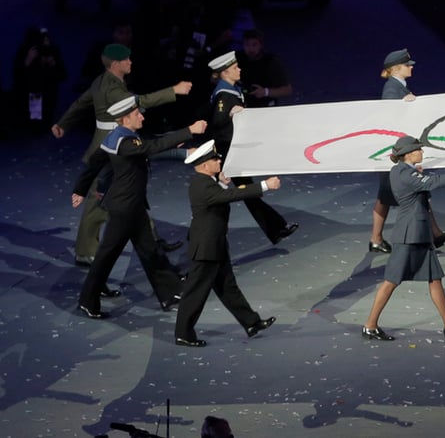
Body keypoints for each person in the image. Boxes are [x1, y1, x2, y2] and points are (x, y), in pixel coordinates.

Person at [52, 43, 191, 266]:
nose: (130, 62)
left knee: (133, 190)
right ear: (116, 64)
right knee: (98, 202)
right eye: (126, 60)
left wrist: (63, 124)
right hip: (112, 147)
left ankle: (152, 240)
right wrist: (173, 91)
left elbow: (81, 103)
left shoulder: (102, 81)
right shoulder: (114, 90)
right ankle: (85, 251)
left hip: (115, 142)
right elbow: (139, 102)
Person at [73, 97, 207, 319]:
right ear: (125, 118)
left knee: (150, 250)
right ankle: (88, 300)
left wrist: (79, 189)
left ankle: (170, 292)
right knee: (107, 256)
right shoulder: (125, 142)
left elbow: (95, 164)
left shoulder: (119, 137)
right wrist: (188, 131)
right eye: (138, 114)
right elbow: (151, 147)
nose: (142, 116)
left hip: (132, 207)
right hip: (124, 209)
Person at [362, 135, 445, 341]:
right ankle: (370, 325)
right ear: (408, 154)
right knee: (391, 281)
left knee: (435, 279)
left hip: (418, 234)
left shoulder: (400, 171)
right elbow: (436, 182)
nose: (422, 152)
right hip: (409, 236)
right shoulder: (406, 175)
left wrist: (415, 172)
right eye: (419, 150)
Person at [174, 140, 278, 347]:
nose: (219, 159)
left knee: (227, 287)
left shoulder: (205, 183)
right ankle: (183, 334)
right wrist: (265, 185)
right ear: (204, 166)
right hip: (206, 248)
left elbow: (219, 196)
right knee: (195, 293)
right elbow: (230, 195)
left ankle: (251, 323)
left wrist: (221, 182)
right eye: (215, 158)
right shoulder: (202, 185)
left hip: (215, 245)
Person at [369, 48, 445, 254]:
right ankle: (376, 239)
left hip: (401, 152)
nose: (411, 67)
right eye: (407, 65)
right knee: (386, 196)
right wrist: (404, 105)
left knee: (410, 192)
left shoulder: (399, 87)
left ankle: (435, 233)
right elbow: (389, 118)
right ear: (396, 69)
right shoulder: (392, 90)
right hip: (395, 153)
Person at [208, 51, 299, 245]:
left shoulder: (232, 89)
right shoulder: (224, 95)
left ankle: (276, 229)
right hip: (226, 154)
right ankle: (202, 238)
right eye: (235, 68)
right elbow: (217, 122)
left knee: (247, 191)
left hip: (232, 152)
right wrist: (230, 116)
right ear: (225, 73)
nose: (239, 69)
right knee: (217, 199)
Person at [11, 27, 67, 133]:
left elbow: (62, 75)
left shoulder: (53, 50)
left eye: (47, 40)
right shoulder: (27, 50)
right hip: (34, 90)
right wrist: (28, 59)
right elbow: (17, 74)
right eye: (43, 40)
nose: (46, 43)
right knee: (35, 121)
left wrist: (53, 64)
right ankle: (35, 125)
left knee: (45, 118)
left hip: (49, 91)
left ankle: (42, 123)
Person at [238, 28, 293, 107]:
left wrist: (265, 92)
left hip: (266, 106)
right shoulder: (238, 58)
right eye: (247, 45)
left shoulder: (271, 62)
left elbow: (287, 90)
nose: (251, 49)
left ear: (261, 45)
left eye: (254, 44)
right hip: (243, 106)